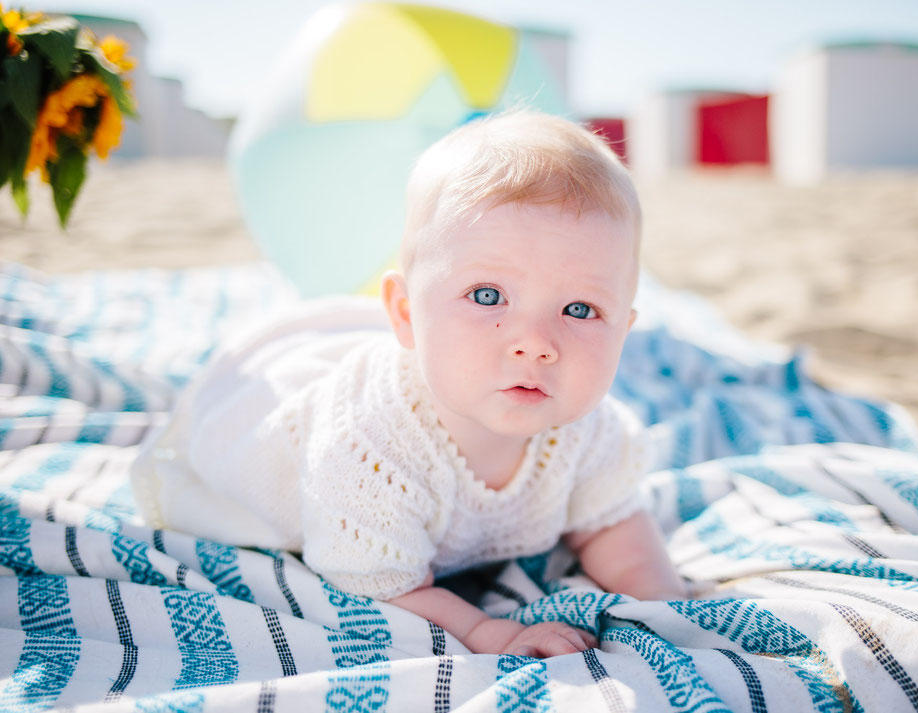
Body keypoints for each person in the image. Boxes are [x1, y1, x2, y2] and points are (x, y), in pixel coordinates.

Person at [132, 110, 685, 658]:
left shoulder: (591, 429)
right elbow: (379, 588)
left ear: (624, 330)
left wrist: (662, 602)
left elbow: (611, 522)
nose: (536, 342)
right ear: (404, 313)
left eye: (580, 308)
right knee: (232, 441)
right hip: (265, 448)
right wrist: (491, 633)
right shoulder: (367, 451)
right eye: (488, 296)